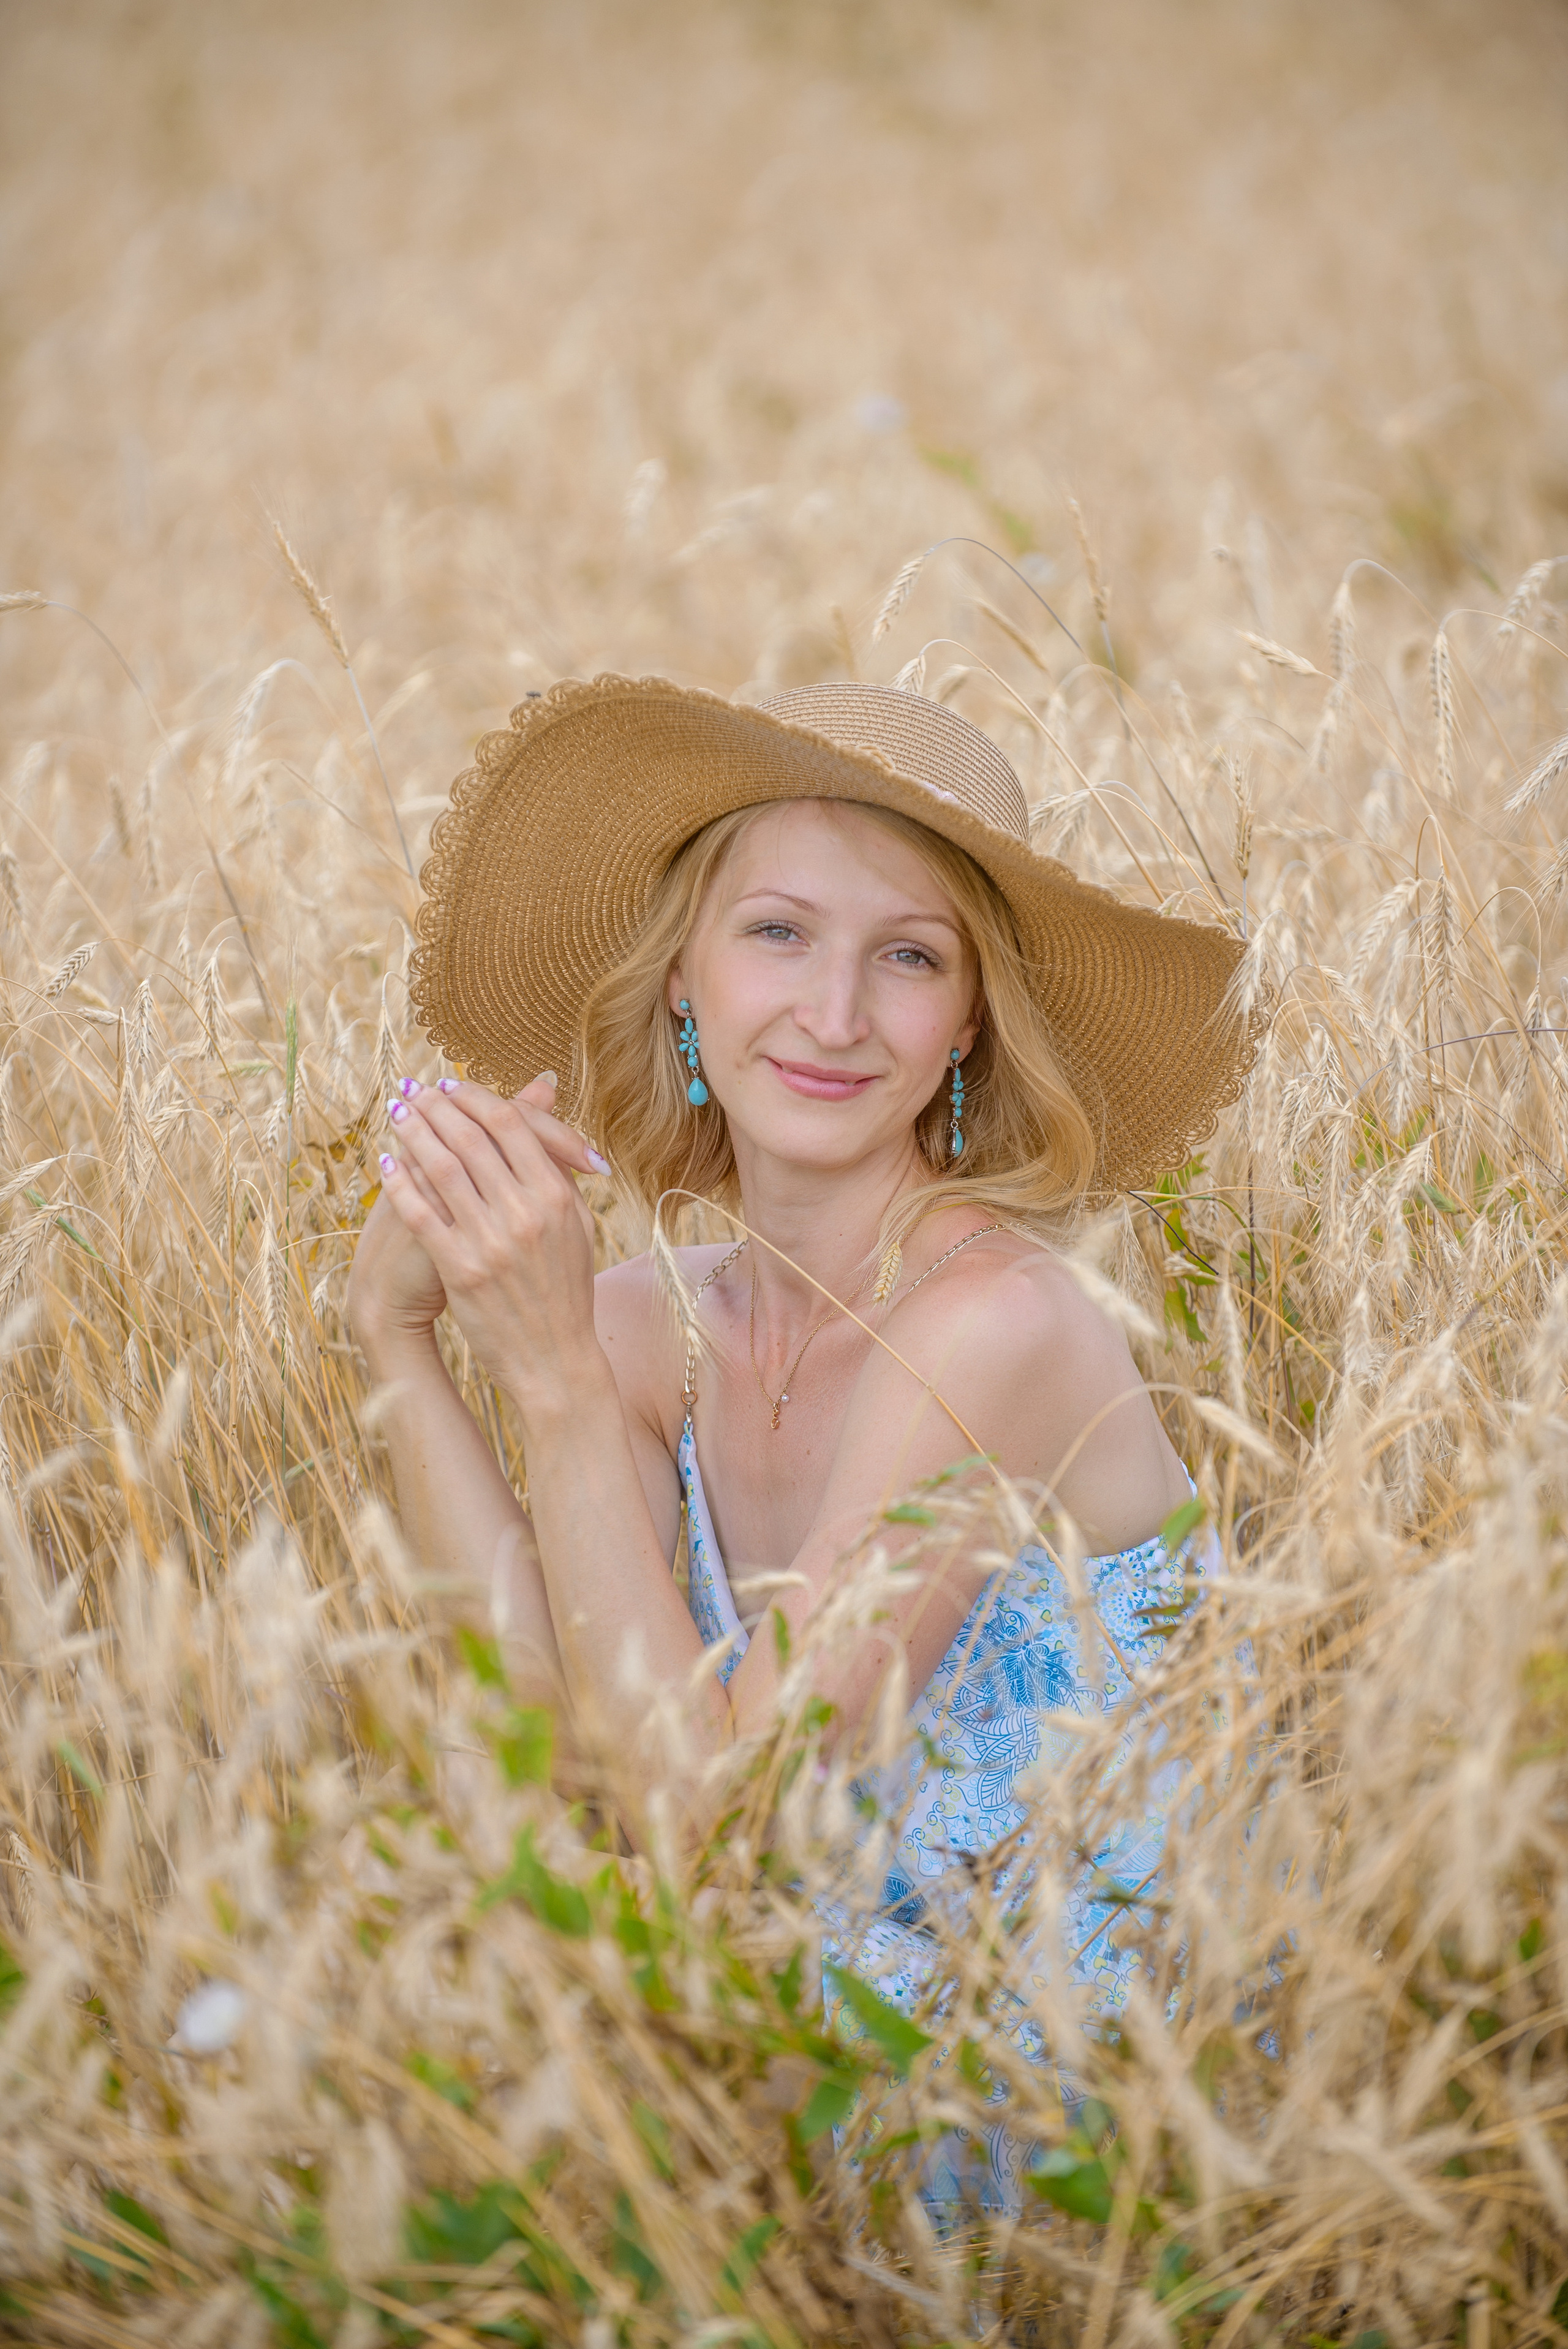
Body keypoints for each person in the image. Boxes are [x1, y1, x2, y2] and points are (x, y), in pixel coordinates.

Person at [347, 676, 1262, 2200]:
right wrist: (398, 1341)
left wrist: (557, 1384)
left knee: (574, 2091)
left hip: (1085, 2087)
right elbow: (568, 1752)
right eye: (777, 933)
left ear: (968, 1021)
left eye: (905, 957)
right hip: (808, 2003)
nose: (833, 1015)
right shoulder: (652, 1327)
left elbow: (722, 1835)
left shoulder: (1000, 1327)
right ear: (683, 978)